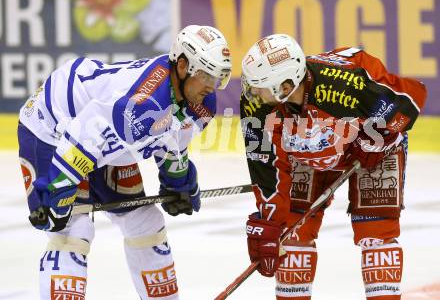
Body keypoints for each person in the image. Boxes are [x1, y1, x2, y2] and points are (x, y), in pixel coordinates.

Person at [17, 25, 232, 300]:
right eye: (206, 76)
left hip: (100, 138)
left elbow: (171, 141)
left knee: (146, 222)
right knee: (71, 229)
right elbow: (85, 135)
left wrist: (178, 182)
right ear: (182, 66)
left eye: (219, 78)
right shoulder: (141, 104)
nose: (212, 86)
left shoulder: (201, 102)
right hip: (51, 125)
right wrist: (57, 188)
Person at [240, 33, 427, 300]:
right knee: (291, 233)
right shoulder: (257, 103)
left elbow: (410, 101)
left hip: (367, 144)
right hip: (310, 149)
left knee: (376, 235)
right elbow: (265, 164)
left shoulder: (347, 86)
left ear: (285, 85)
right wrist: (270, 220)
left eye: (259, 85)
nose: (252, 93)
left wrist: (382, 138)